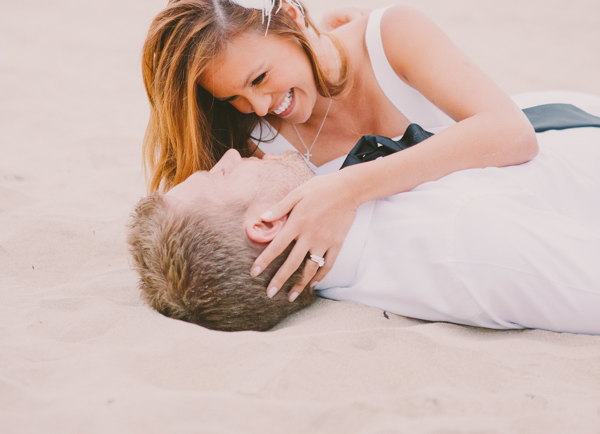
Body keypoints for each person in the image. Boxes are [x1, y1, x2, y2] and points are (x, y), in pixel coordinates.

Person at [142, 0, 538, 303]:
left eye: (260, 77)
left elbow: (512, 132)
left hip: (522, 218)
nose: (259, 107)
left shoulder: (391, 37)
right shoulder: (257, 141)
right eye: (234, 98)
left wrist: (348, 188)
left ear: (293, 18)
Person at [127, 91, 600, 334]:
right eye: (221, 177)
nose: (227, 158)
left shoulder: (338, 200)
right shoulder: (465, 244)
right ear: (267, 224)